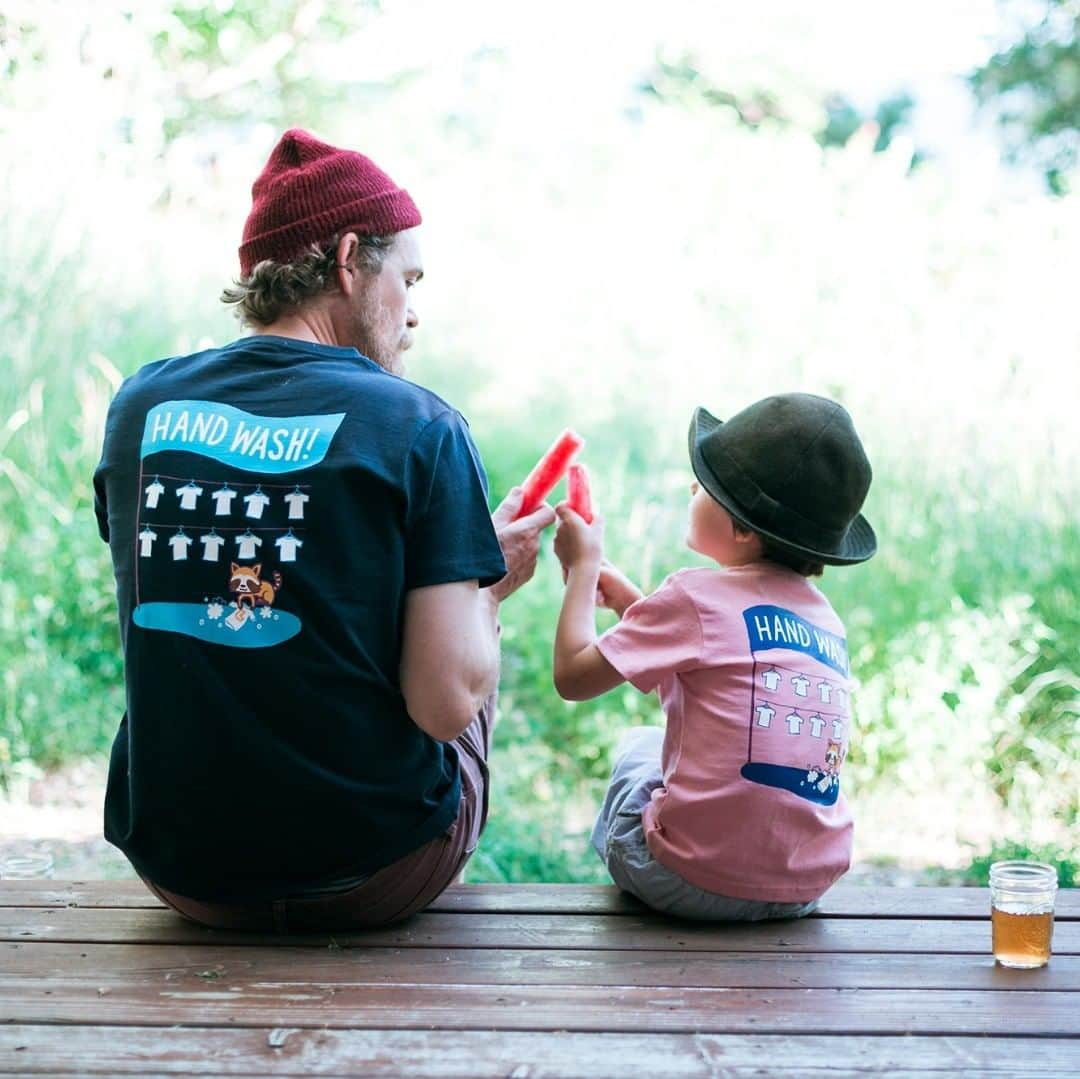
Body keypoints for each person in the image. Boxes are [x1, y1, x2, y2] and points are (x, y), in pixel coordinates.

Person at [93, 128, 555, 931]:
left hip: (182, 872)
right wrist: (484, 586)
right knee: (457, 672)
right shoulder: (421, 425)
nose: (415, 312)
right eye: (408, 278)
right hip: (369, 874)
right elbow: (443, 706)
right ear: (349, 261)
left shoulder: (141, 406)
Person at [551, 393, 876, 920]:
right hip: (802, 888)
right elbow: (716, 669)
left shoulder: (693, 597)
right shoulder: (824, 620)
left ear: (743, 526)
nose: (691, 488)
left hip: (687, 884)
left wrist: (583, 568)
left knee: (640, 748)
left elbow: (573, 677)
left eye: (704, 486)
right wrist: (633, 603)